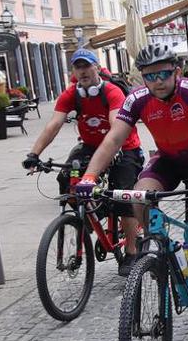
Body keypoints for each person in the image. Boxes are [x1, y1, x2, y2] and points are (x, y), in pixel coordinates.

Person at [78, 42, 188, 332]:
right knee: (139, 195)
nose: (157, 81)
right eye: (150, 76)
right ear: (142, 78)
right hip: (168, 160)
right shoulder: (136, 98)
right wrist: (89, 177)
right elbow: (113, 139)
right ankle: (157, 246)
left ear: (177, 71)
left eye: (163, 74)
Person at [24, 49, 145, 257]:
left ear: (97, 67)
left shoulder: (112, 92)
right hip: (90, 145)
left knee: (122, 198)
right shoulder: (71, 94)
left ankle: (132, 252)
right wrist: (33, 155)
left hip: (123, 146)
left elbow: (117, 127)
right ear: (73, 71)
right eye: (78, 67)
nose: (83, 71)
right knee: (66, 179)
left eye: (87, 66)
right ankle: (90, 215)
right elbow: (53, 125)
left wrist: (113, 151)